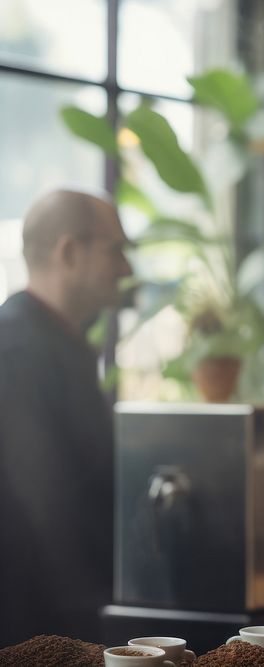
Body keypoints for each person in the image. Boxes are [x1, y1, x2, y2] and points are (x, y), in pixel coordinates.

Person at [0, 189, 132, 645]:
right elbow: (43, 507)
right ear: (69, 252)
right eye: (116, 250)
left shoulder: (56, 342)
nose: (127, 269)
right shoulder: (14, 350)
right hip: (38, 633)